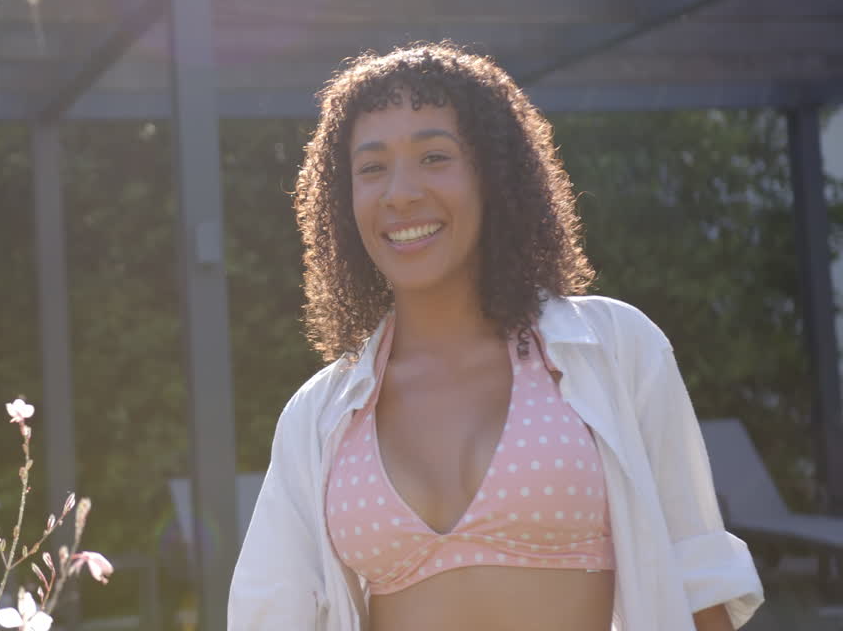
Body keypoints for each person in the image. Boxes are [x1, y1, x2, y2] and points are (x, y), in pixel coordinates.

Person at [227, 42, 765, 631]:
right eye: (372, 167)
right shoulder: (320, 417)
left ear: (493, 175)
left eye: (434, 157)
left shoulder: (615, 347)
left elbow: (697, 576)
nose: (399, 192)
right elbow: (269, 612)